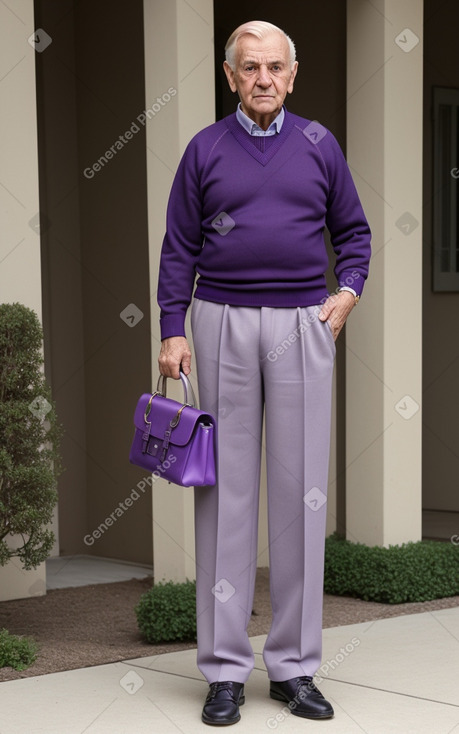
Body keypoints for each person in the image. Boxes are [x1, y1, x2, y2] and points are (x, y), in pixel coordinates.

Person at [157, 20, 371, 726]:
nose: (262, 79)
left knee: (302, 494)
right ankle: (223, 671)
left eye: (274, 67)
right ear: (229, 76)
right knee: (223, 497)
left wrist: (346, 294)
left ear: (293, 73)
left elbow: (354, 233)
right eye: (249, 67)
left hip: (303, 322)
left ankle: (294, 668)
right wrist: (171, 328)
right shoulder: (203, 150)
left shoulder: (318, 145)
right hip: (218, 321)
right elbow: (178, 248)